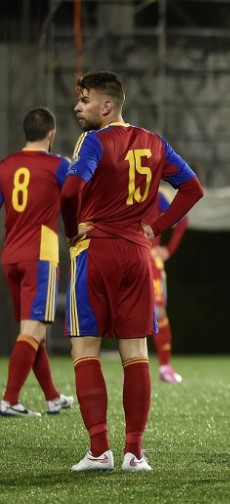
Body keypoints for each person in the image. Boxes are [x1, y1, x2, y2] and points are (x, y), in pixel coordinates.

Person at [62, 71, 204, 471]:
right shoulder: (154, 142)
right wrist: (156, 228)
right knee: (136, 352)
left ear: (106, 106)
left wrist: (72, 232)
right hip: (138, 255)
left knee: (86, 348)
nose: (78, 106)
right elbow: (193, 188)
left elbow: (70, 191)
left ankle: (99, 451)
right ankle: (134, 453)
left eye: (85, 100)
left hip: (98, 251)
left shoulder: (94, 140)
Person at [0, 107, 75, 418]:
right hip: (40, 255)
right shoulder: (58, 166)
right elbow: (73, 199)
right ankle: (9, 399)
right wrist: (74, 231)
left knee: (34, 332)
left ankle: (53, 397)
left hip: (10, 256)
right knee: (33, 329)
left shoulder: (5, 165)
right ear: (51, 134)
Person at [148, 186, 189, 383]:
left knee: (158, 311)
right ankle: (130, 369)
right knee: (127, 315)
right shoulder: (124, 189)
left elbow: (182, 218)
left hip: (149, 259)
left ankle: (165, 367)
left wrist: (169, 250)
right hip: (130, 258)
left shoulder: (156, 196)